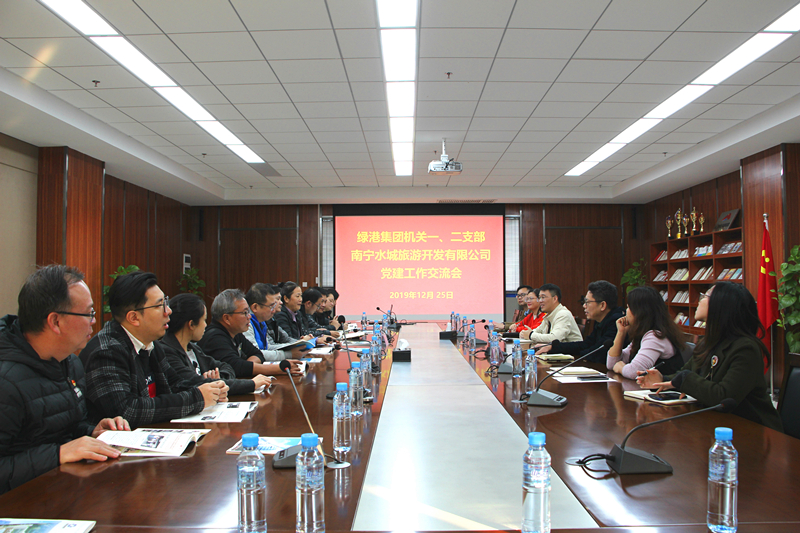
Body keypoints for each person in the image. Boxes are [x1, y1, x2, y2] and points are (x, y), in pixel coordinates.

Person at [0, 265, 129, 495]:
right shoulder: (6, 381)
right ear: (55, 322)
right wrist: (58, 454)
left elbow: (64, 429)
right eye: (88, 313)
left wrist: (92, 431)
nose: (93, 321)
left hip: (62, 490)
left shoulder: (70, 362)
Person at [81, 272, 227, 428]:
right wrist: (197, 398)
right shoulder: (106, 352)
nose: (168, 311)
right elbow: (128, 410)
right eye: (159, 305)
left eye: (166, 302)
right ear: (134, 318)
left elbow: (176, 383)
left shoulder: (151, 344)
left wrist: (213, 388)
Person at [637, 282, 783, 431]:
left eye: (705, 296)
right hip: (716, 424)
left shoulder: (745, 348)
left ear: (720, 306)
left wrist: (684, 379)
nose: (699, 300)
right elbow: (685, 374)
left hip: (754, 430)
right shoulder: (709, 342)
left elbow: (723, 397)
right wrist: (662, 379)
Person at [158, 293, 275, 395]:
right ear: (191, 324)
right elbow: (196, 384)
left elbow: (227, 368)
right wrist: (251, 384)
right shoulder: (167, 352)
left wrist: (216, 380)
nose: (205, 325)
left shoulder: (193, 348)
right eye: (204, 320)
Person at [198, 289, 301, 379]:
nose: (249, 316)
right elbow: (235, 367)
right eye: (245, 313)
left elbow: (257, 353)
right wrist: (278, 368)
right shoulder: (214, 338)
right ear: (227, 318)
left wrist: (247, 366)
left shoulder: (235, 333)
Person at [607, 286, 684, 379]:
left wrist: (621, 368)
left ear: (639, 312)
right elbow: (611, 364)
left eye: (628, 307)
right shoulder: (643, 333)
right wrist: (621, 333)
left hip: (662, 387)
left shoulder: (655, 336)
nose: (626, 311)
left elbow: (634, 372)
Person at [537, 280, 625, 363]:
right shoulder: (601, 319)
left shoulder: (617, 322)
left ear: (602, 305)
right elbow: (586, 344)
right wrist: (553, 347)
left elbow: (599, 353)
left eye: (587, 302)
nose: (584, 306)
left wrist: (577, 356)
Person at [244, 283, 308, 361]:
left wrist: (298, 345)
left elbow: (268, 347)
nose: (273, 310)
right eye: (271, 306)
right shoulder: (246, 323)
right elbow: (256, 353)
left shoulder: (262, 322)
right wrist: (288, 354)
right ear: (255, 307)